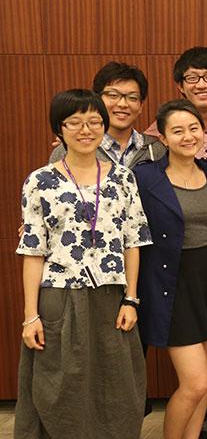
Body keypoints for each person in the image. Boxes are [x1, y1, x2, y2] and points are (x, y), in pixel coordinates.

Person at [16, 89, 152, 438]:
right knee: (61, 386)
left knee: (117, 386)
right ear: (58, 130)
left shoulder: (123, 178)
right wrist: (31, 315)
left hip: (112, 298)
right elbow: (33, 251)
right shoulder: (40, 181)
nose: (85, 129)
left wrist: (131, 298)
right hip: (59, 297)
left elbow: (133, 243)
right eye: (74, 122)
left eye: (94, 121)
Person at [135, 99, 207, 439]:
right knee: (195, 382)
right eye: (177, 130)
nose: (187, 136)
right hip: (172, 285)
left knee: (203, 382)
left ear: (203, 132)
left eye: (193, 128)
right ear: (162, 137)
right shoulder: (145, 178)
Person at [50, 62, 166, 167]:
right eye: (113, 95)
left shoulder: (156, 150)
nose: (122, 104)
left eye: (132, 97)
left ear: (141, 106)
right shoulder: (68, 150)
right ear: (97, 100)